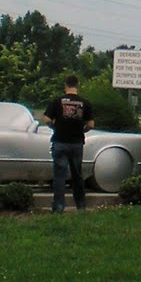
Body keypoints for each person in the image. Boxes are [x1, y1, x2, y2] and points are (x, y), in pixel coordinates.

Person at [39, 75, 94, 213]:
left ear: (65, 85)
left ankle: (58, 207)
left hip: (60, 142)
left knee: (59, 176)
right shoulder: (85, 103)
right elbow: (91, 124)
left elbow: (46, 119)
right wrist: (83, 130)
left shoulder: (57, 101)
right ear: (78, 85)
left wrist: (54, 127)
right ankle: (80, 206)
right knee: (77, 175)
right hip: (76, 143)